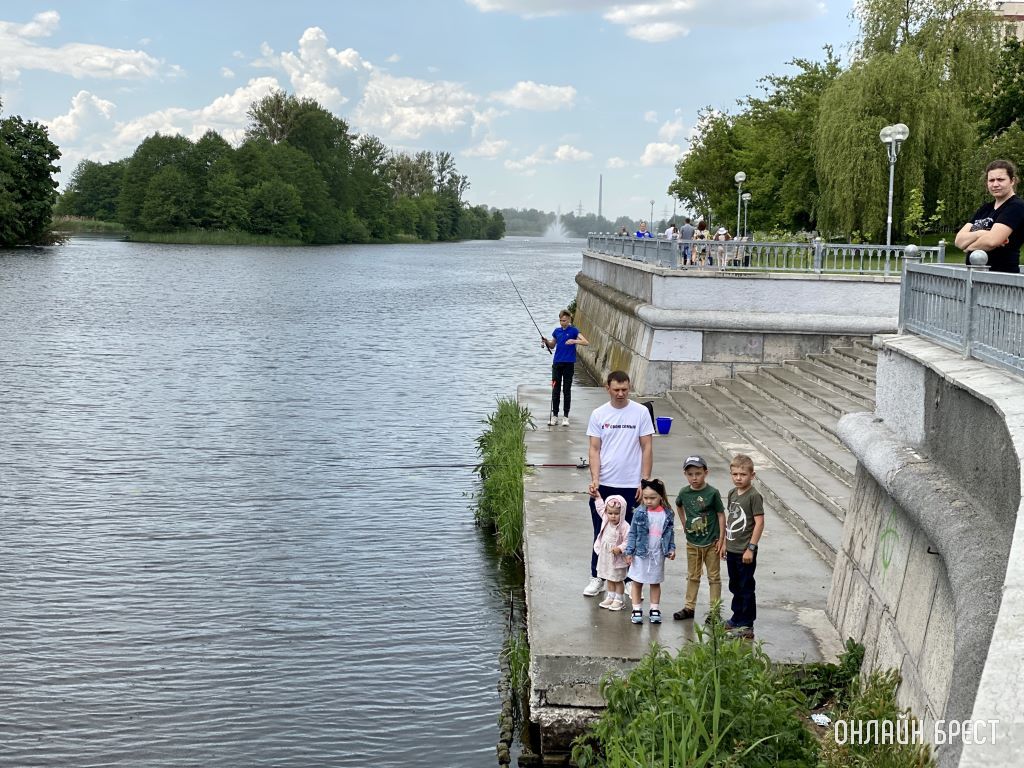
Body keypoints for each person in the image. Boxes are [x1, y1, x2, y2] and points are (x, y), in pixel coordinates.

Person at [583, 370, 655, 596]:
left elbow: (647, 447)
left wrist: (644, 482)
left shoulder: (641, 412)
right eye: (616, 390)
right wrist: (595, 479)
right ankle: (597, 576)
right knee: (602, 533)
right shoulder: (598, 414)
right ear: (608, 388)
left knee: (630, 534)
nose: (621, 394)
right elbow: (594, 449)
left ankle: (629, 579)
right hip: (605, 484)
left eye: (625, 389)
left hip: (631, 485)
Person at [672, 455, 725, 622]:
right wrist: (684, 523)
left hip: (712, 543)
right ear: (685, 474)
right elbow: (679, 505)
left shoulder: (712, 493)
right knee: (693, 576)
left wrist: (722, 538)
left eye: (698, 473)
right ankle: (689, 607)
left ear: (706, 473)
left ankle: (714, 611)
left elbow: (721, 515)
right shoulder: (684, 492)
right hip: (693, 543)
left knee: (714, 577)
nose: (694, 478)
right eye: (690, 474)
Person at [955, 159, 1024, 273]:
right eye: (991, 180)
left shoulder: (1016, 206)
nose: (995, 184)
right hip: (975, 278)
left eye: (1000, 179)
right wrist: (981, 233)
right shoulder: (985, 208)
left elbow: (992, 241)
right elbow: (959, 240)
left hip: (1001, 279)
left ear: (1012, 181)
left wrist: (968, 248)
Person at [723, 454, 764, 640]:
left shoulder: (754, 496)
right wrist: (724, 542)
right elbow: (731, 519)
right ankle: (736, 617)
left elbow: (759, 523)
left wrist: (751, 548)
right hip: (731, 548)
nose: (738, 478)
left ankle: (747, 624)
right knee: (734, 585)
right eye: (735, 474)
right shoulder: (732, 493)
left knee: (746, 587)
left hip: (745, 551)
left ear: (752, 475)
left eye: (743, 474)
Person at [623, 479, 676, 624]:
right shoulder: (639, 512)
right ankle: (636, 609)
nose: (648, 501)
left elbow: (670, 533)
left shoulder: (667, 513)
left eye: (652, 498)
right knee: (637, 582)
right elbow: (632, 533)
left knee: (655, 582)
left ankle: (654, 609)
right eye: (645, 498)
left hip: (657, 554)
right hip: (640, 554)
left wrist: (671, 548)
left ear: (661, 496)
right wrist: (629, 551)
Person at [542, 310, 589, 426]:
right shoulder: (556, 331)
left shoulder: (574, 331)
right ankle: (554, 416)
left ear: (569, 320)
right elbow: (552, 345)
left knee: (566, 390)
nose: (562, 323)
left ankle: (566, 417)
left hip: (569, 364)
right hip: (557, 364)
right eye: (561, 320)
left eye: (564, 321)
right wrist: (546, 341)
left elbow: (586, 342)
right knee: (555, 390)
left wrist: (574, 341)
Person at [594, 493, 631, 611]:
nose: (613, 516)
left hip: (617, 557)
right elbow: (600, 508)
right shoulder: (606, 519)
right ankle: (610, 596)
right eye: (610, 513)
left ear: (623, 512)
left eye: (616, 513)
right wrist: (597, 498)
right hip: (606, 556)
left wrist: (620, 548)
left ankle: (619, 599)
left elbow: (628, 541)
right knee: (609, 577)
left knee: (618, 579)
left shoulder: (624, 526)